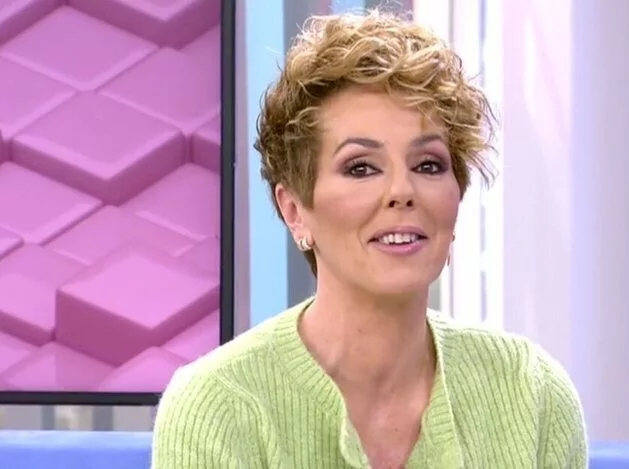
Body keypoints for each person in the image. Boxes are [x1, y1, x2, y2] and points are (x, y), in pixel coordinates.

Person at [151, 9, 587, 469]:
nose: (402, 191)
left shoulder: (531, 393)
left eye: (429, 165)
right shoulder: (219, 406)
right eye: (361, 168)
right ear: (294, 210)